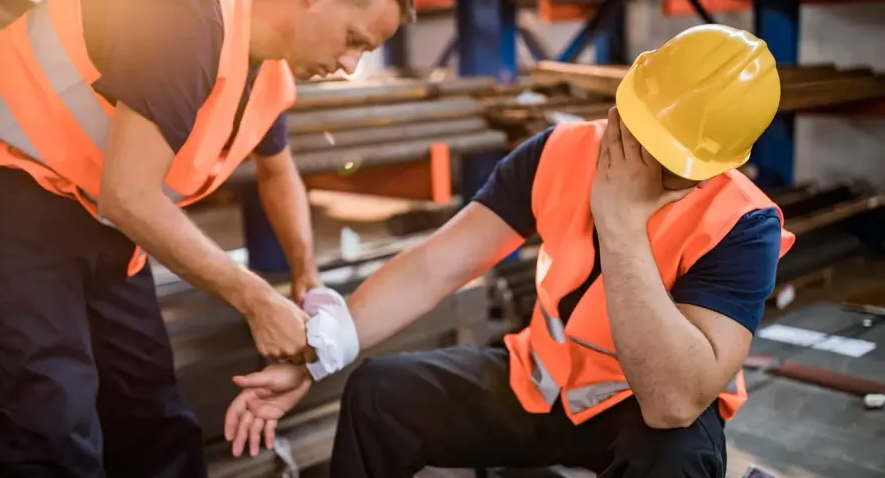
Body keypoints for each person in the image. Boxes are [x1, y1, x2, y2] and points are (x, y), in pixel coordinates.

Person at [224, 24, 797, 477]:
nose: (648, 165)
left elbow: (673, 401)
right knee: (378, 394)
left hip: (637, 416)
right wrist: (319, 353)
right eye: (642, 138)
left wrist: (620, 223)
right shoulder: (557, 153)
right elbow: (434, 266)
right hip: (536, 386)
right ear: (624, 104)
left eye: (675, 165)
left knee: (678, 458)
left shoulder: (741, 224)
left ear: (723, 167)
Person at [0, 0, 414, 475]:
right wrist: (256, 299)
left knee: (150, 409)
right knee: (48, 419)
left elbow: (277, 171)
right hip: (4, 176)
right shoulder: (187, 11)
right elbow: (130, 196)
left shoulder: (268, 72)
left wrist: (306, 279)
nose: (350, 66)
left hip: (97, 203)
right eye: (354, 41)